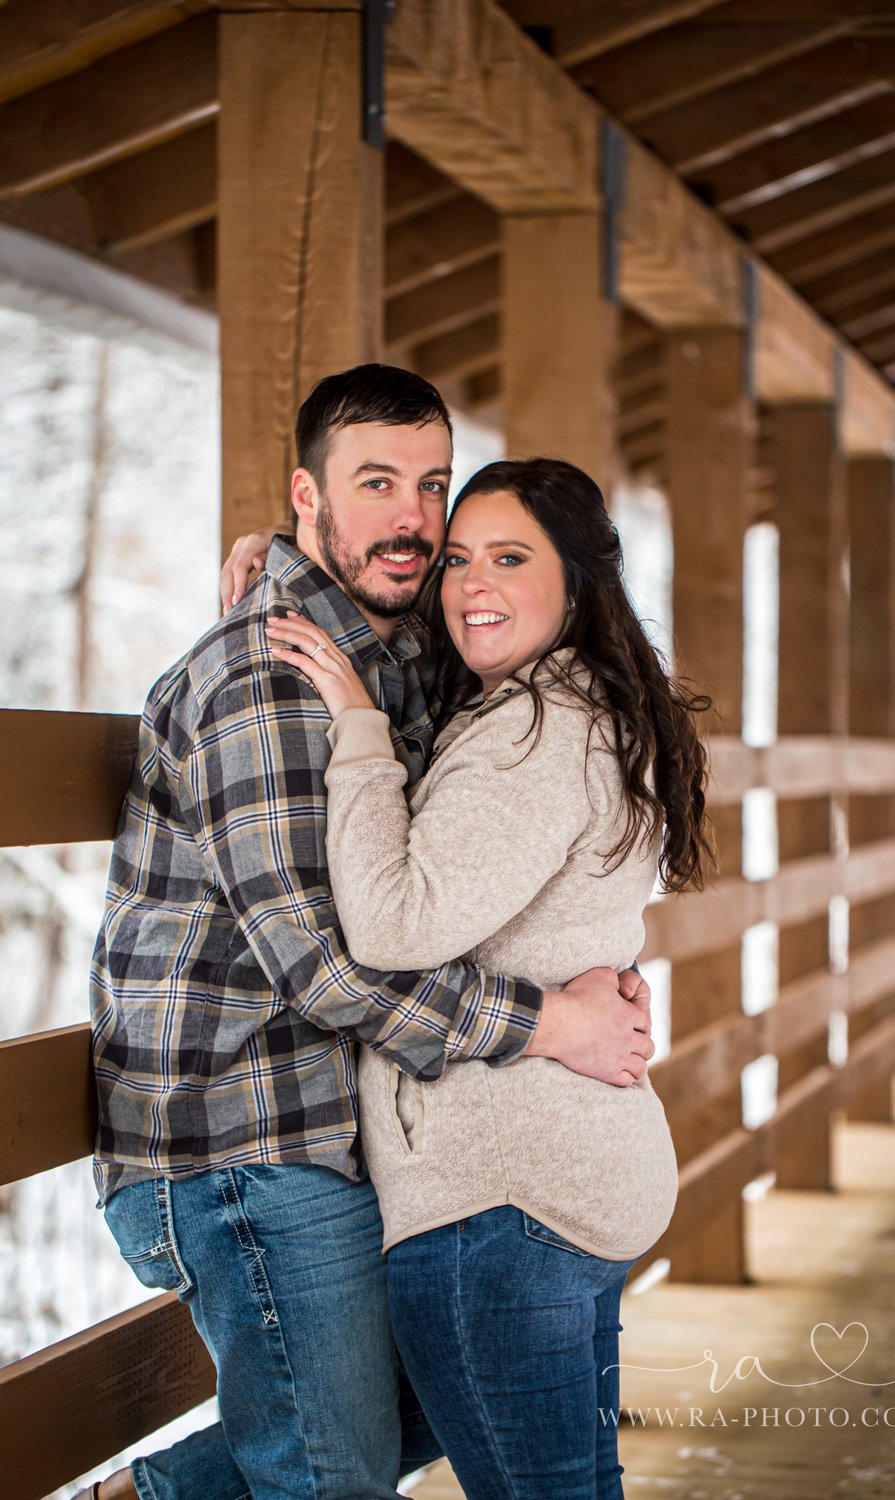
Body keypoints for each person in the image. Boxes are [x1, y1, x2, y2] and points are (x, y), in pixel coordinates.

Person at [79, 367, 654, 1500]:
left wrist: (277, 548)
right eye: (375, 484)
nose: (411, 520)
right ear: (311, 495)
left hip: (338, 1129)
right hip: (242, 1136)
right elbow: (326, 967)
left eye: (429, 488)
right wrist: (549, 1026)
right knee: (335, 1473)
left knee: (446, 1391)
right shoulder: (263, 679)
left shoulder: (396, 656)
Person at [262, 456, 714, 1498]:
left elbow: (392, 922)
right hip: (567, 1175)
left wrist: (359, 733)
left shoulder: (530, 735)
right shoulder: (584, 706)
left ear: (578, 579)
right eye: (457, 559)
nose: (470, 584)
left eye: (508, 558)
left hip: (502, 1200)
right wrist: (269, 557)